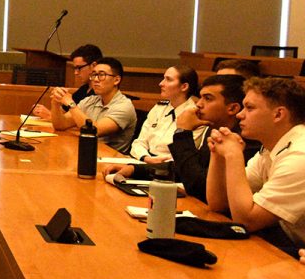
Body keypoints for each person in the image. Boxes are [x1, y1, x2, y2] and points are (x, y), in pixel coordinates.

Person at [101, 74, 258, 201]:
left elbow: (199, 186)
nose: (199, 105)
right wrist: (135, 169)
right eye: (201, 97)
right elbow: (184, 168)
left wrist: (183, 132)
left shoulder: (244, 141)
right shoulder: (215, 130)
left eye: (208, 99)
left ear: (232, 108)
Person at [206, 77, 305, 255]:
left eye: (249, 108)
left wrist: (233, 155)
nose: (239, 114)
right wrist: (217, 154)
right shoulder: (272, 147)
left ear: (278, 115)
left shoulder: (300, 155)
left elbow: (246, 220)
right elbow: (217, 202)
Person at [49, 56, 137, 152]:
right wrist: (55, 103)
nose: (95, 79)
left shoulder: (124, 106)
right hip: (87, 152)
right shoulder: (90, 100)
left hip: (110, 159)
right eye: (94, 75)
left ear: (116, 80)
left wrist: (71, 104)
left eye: (101, 75)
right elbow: (60, 125)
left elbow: (94, 130)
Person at [128, 65, 203, 163]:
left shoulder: (196, 116)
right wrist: (146, 158)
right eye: (163, 78)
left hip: (169, 168)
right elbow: (139, 142)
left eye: (168, 80)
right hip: (144, 160)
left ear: (184, 86)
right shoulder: (159, 108)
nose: (161, 83)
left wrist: (155, 163)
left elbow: (185, 155)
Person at [31, 44, 102, 119]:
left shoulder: (100, 92)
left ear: (94, 66)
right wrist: (55, 103)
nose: (76, 73)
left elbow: (83, 121)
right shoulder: (83, 89)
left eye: (79, 68)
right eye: (75, 68)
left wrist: (49, 116)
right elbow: (63, 113)